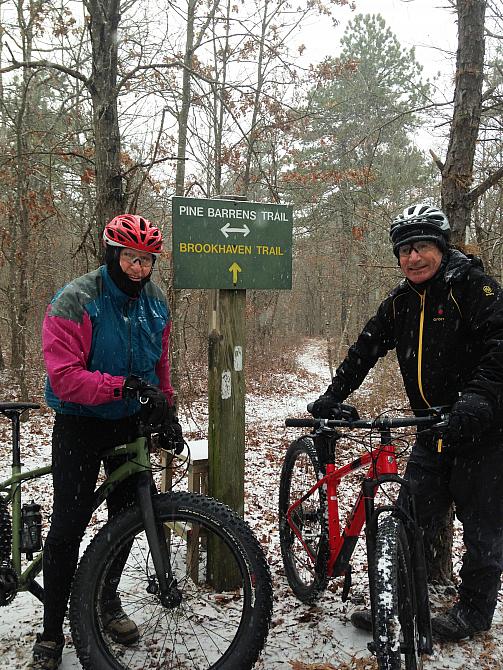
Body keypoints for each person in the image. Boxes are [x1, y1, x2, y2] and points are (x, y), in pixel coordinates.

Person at [310, 203, 503, 642]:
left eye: (422, 247)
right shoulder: (399, 302)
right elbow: (365, 350)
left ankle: (473, 612)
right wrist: (332, 395)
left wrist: (477, 399)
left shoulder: (472, 286)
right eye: (405, 250)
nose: (413, 258)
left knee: (482, 528)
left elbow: (500, 343)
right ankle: (392, 597)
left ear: (440, 247)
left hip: (482, 433)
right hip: (432, 430)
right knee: (406, 514)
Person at [32, 214, 184, 669]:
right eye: (131, 258)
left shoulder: (157, 302)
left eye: (147, 260)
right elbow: (63, 378)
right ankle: (52, 629)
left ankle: (106, 599)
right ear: (112, 255)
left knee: (130, 519)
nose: (139, 269)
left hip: (128, 425)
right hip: (80, 423)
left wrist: (166, 410)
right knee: (67, 529)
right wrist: (120, 387)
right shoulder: (76, 299)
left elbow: (161, 366)